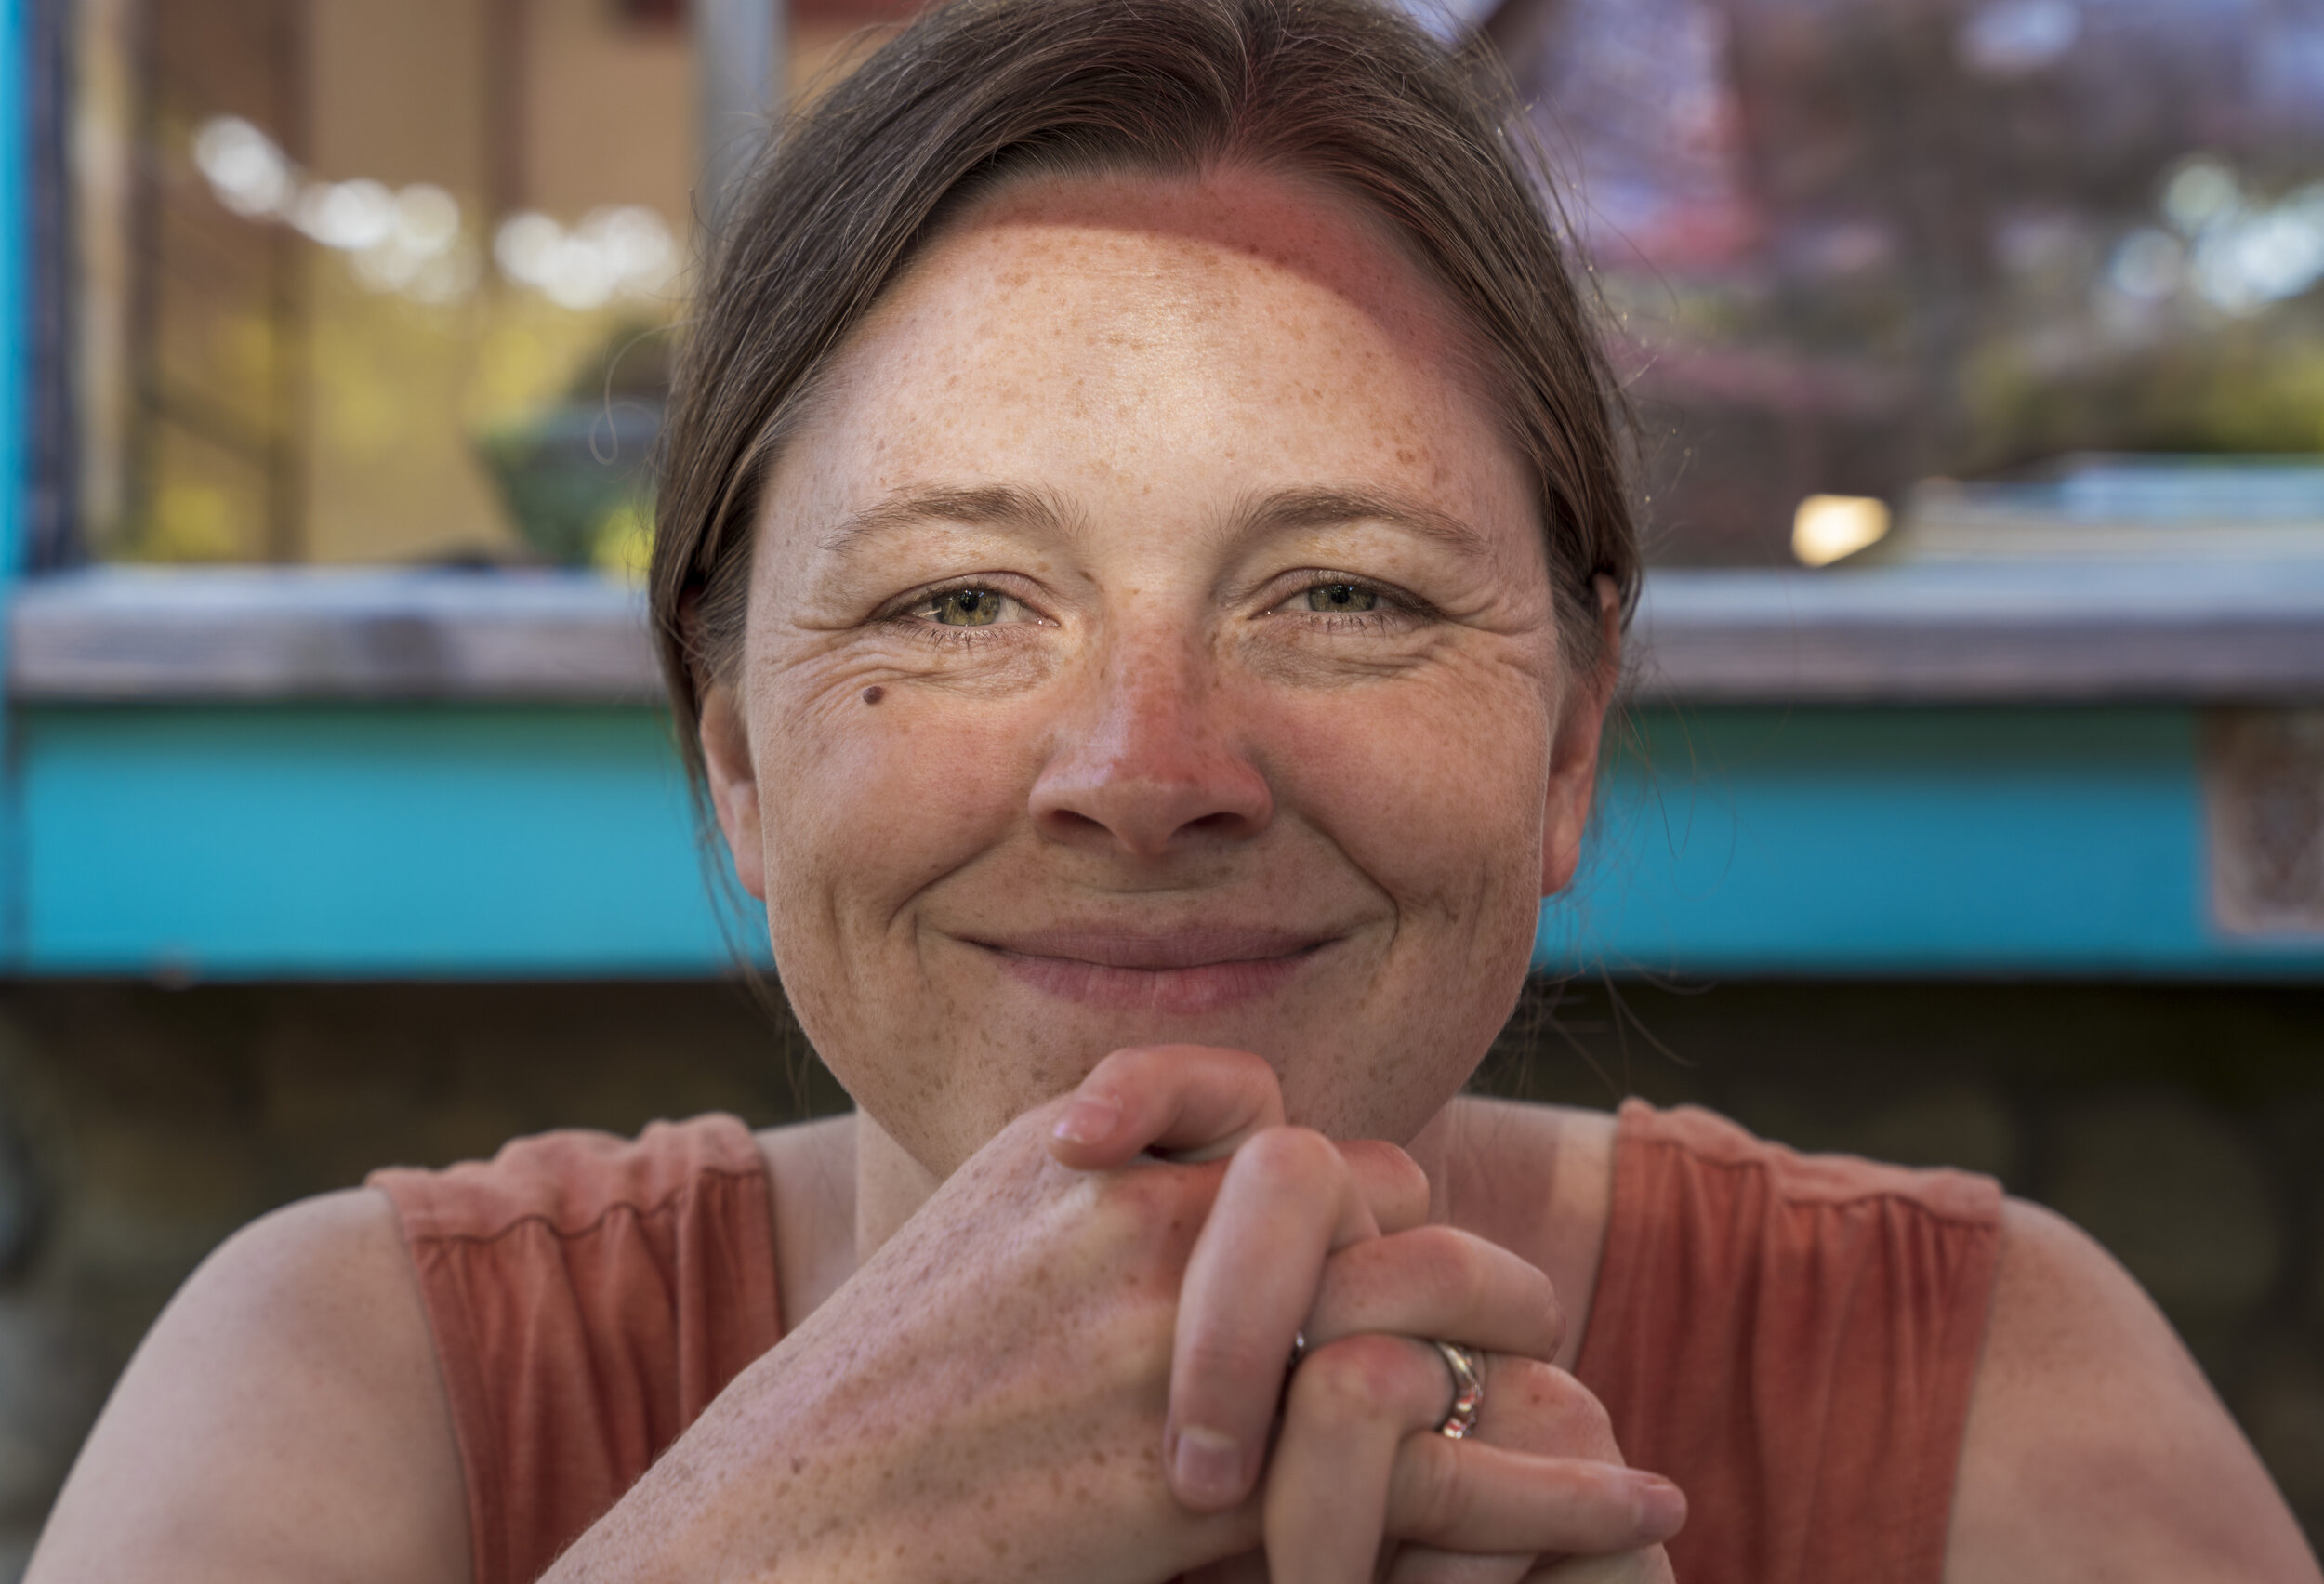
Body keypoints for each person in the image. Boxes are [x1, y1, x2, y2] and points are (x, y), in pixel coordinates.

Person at [25, 1, 2319, 1581]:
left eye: (1339, 594)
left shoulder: (1980, 1400)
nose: (1147, 774)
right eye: (949, 605)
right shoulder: (354, 1387)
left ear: (1568, 737)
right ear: (731, 741)